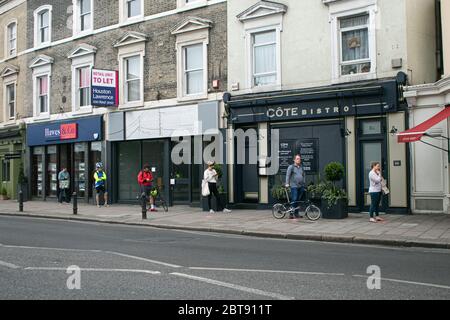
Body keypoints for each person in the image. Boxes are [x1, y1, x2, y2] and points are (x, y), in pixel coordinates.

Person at [285, 154, 306, 219]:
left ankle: (296, 214)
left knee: (298, 200)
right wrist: (287, 183)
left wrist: (304, 183)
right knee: (294, 199)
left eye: (299, 159)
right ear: (294, 160)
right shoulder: (291, 167)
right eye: (297, 159)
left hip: (301, 186)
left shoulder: (301, 167)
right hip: (294, 186)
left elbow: (304, 175)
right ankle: (291, 214)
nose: (299, 160)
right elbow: (288, 175)